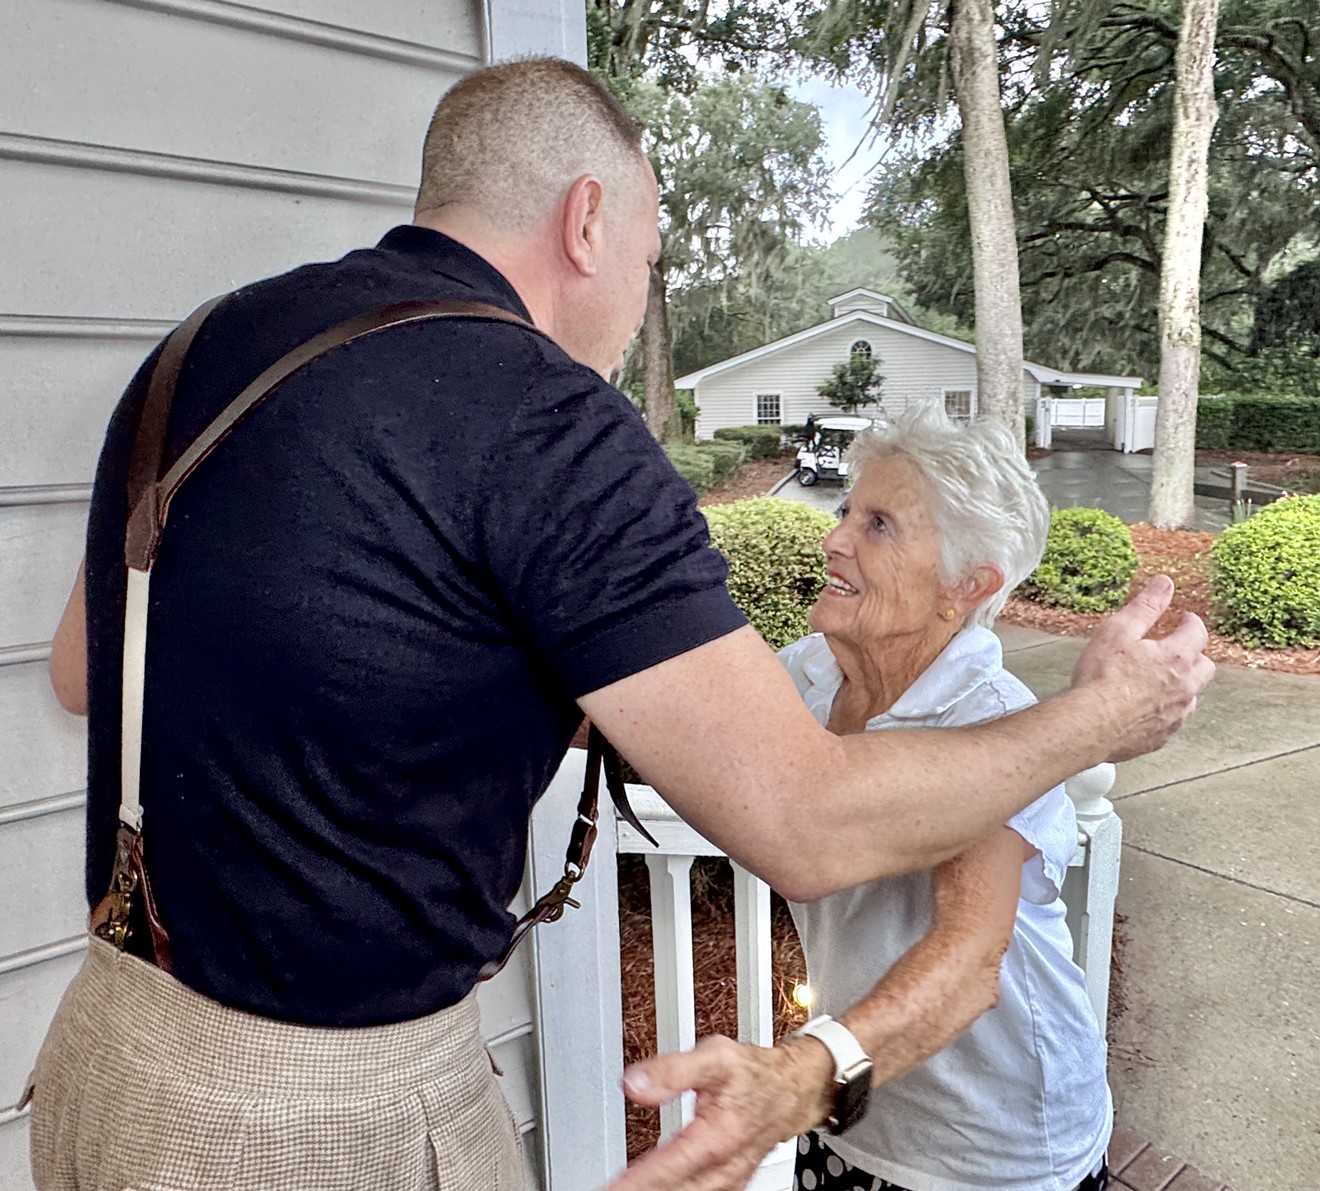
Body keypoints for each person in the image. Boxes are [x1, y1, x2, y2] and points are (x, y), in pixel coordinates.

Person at [38, 57, 1209, 1191]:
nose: (645, 289)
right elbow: (803, 823)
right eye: (652, 254)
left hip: (108, 1051)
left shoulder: (205, 349)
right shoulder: (546, 423)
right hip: (321, 1109)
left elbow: (86, 672)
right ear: (588, 222)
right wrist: (1104, 716)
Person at [613, 413, 1112, 1191]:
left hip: (992, 1147)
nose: (835, 538)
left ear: (967, 583)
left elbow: (968, 963)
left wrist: (794, 1078)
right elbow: (654, 718)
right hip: (859, 1107)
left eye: (879, 524)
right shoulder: (809, 674)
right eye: (847, 509)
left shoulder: (993, 722)